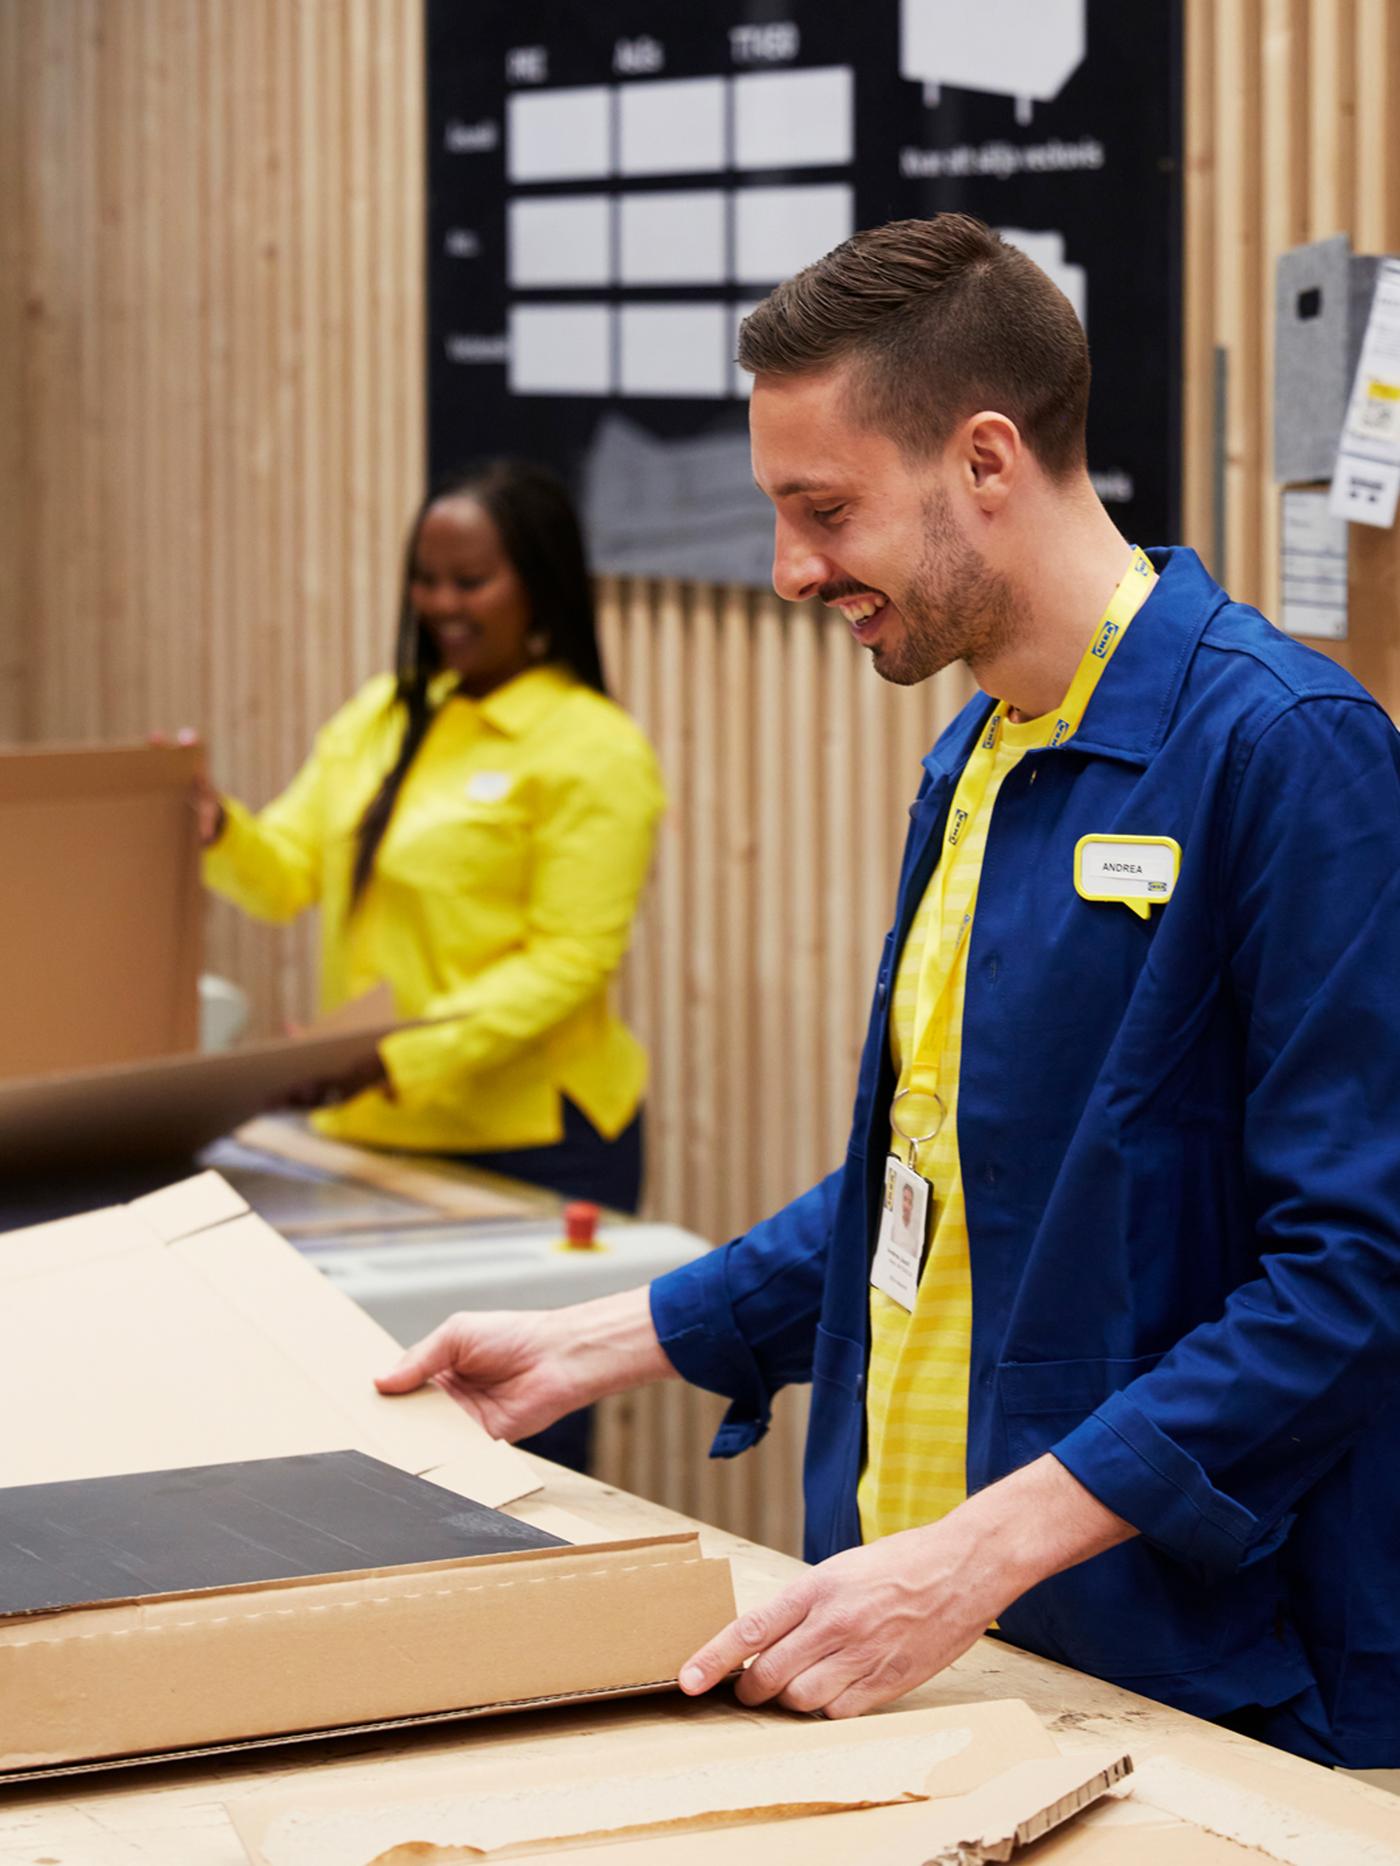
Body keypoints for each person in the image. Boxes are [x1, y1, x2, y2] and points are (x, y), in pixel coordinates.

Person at [376, 217, 1400, 1768]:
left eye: (823, 510)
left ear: (986, 460)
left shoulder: (1286, 749)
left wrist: (978, 1552)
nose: (792, 570)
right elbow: (930, 1181)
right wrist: (610, 1338)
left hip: (1207, 1677)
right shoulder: (977, 752)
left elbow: (1351, 1276)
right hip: (956, 1637)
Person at [198, 459, 664, 1214]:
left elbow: (568, 961)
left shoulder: (595, 747)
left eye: (470, 581)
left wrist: (393, 1057)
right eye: (426, 578)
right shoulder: (382, 714)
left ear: (538, 588)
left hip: (531, 1141)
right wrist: (216, 830)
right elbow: (283, 876)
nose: (441, 603)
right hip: (368, 1125)